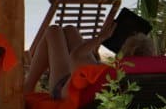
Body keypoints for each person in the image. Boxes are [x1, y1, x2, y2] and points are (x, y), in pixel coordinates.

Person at [24, 22, 154, 101]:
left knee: (53, 31)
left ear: (124, 53)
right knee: (70, 29)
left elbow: (76, 56)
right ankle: (28, 83)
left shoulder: (109, 73)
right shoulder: (152, 75)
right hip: (83, 88)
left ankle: (28, 86)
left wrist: (102, 37)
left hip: (64, 91)